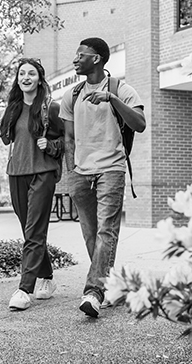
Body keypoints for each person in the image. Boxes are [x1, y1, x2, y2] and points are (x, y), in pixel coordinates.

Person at [59, 37, 146, 318]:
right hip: (81, 172)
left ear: (96, 58)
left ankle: (93, 292)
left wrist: (112, 99)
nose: (75, 58)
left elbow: (140, 124)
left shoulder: (122, 89)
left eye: (80, 54)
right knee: (90, 233)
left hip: (111, 168)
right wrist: (71, 171)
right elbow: (69, 137)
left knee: (106, 231)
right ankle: (106, 286)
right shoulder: (71, 95)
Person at [0, 58, 64, 311]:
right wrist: (7, 119)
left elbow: (67, 143)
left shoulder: (51, 108)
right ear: (18, 79)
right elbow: (6, 138)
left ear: (40, 78)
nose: (26, 77)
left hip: (43, 173)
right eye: (21, 73)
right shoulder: (13, 106)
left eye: (31, 73)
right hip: (16, 172)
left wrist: (50, 144)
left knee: (35, 231)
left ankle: (24, 289)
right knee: (30, 232)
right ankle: (46, 276)